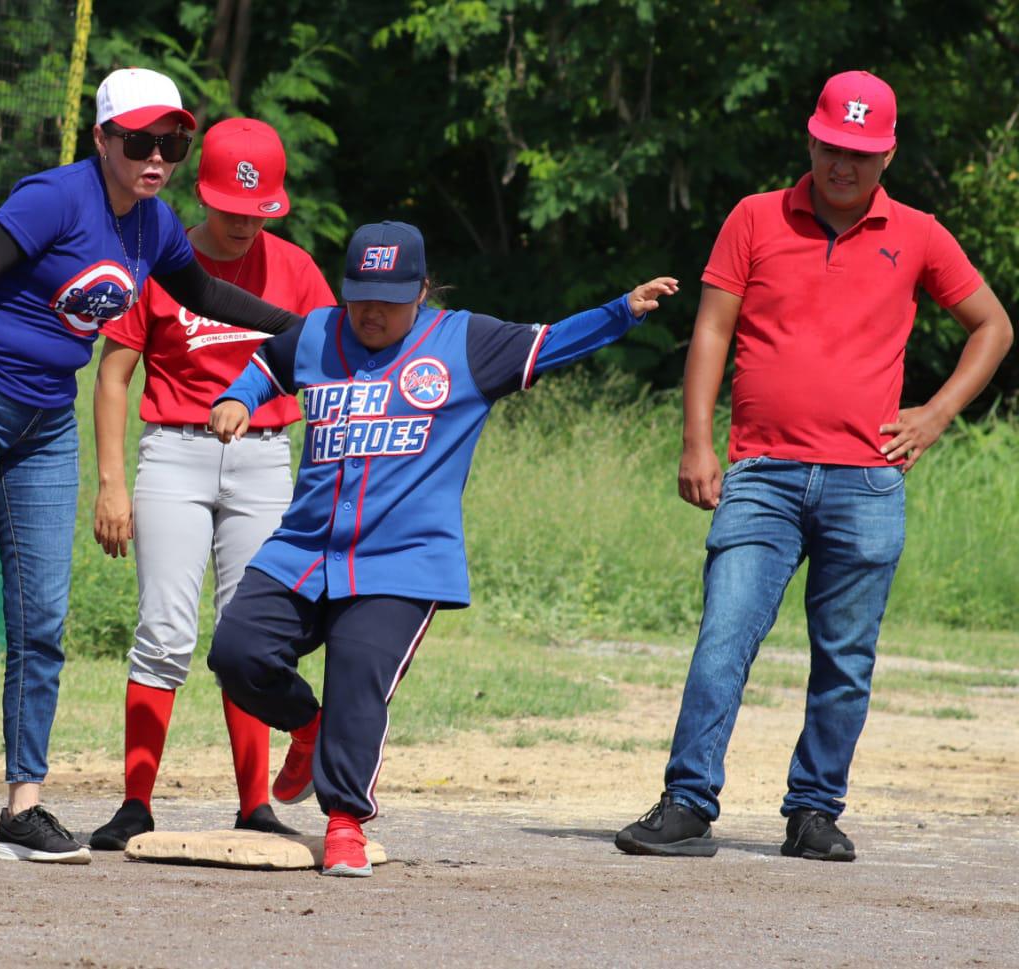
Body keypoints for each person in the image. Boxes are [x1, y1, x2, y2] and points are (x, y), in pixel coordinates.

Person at [0, 68, 300, 863]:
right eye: (139, 141)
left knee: (42, 620)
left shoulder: (154, 226)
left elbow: (203, 291)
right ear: (102, 139)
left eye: (172, 142)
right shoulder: (54, 198)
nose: (157, 157)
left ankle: (22, 806)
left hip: (45, 426)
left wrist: (311, 326)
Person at [615, 70, 1013, 862]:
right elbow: (711, 333)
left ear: (887, 154)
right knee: (723, 635)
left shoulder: (920, 233)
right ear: (812, 139)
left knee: (845, 657)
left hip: (866, 482)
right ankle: (688, 801)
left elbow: (993, 326)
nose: (844, 165)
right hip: (761, 472)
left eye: (861, 153)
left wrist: (934, 416)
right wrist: (698, 441)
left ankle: (814, 811)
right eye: (834, 147)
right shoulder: (756, 218)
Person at [205, 220, 678, 876]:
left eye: (390, 297)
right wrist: (238, 396)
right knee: (237, 651)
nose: (371, 311)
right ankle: (305, 728)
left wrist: (620, 312)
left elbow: (550, 342)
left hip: (402, 559)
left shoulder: (464, 342)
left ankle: (345, 820)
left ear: (422, 289)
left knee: (358, 676)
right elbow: (267, 364)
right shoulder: (317, 332)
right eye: (360, 295)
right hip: (305, 548)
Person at [86, 118, 335, 850]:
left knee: (246, 634)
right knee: (163, 631)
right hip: (174, 453)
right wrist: (110, 483)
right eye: (230, 210)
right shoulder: (159, 260)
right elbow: (113, 375)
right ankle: (136, 803)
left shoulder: (295, 270)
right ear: (203, 193)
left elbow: (338, 368)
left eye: (258, 214)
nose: (242, 226)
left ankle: (255, 805)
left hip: (264, 459)